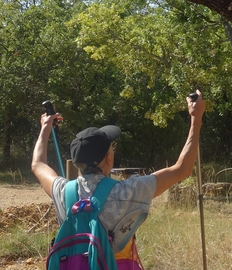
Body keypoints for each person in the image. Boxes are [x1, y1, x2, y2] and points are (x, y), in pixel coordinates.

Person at [31, 90, 206, 269]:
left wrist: (45, 127)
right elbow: (182, 169)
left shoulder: (63, 191)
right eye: (112, 148)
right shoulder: (128, 192)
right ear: (108, 159)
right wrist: (196, 118)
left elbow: (37, 164)